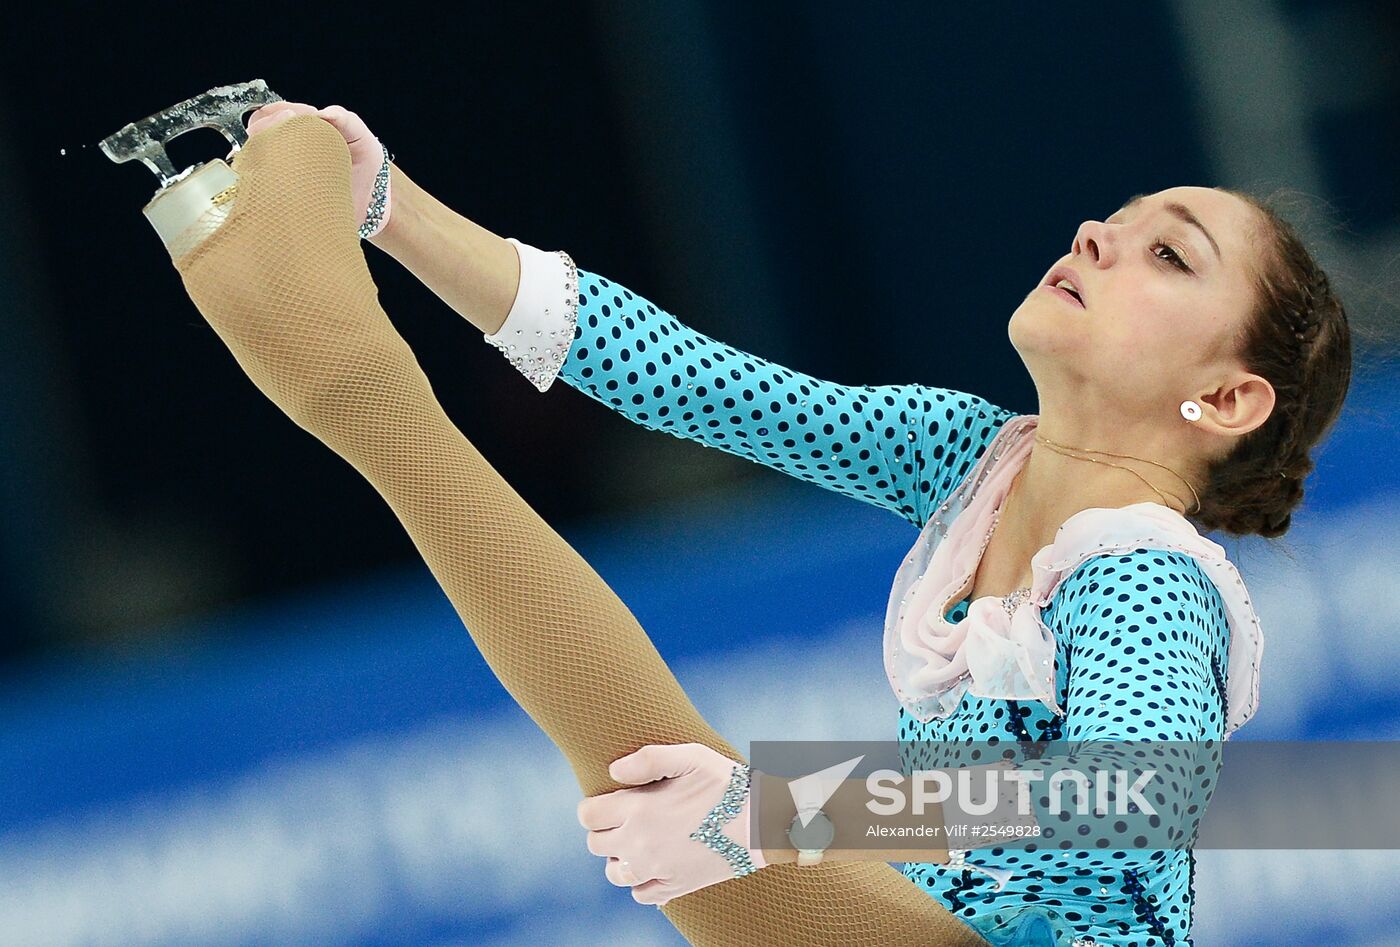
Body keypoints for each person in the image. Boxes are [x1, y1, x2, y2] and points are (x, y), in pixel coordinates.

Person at [221, 103, 1349, 946]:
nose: (1099, 230)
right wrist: (391, 205)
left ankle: (357, 390)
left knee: (679, 791)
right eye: (1121, 217)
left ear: (1227, 398)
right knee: (657, 782)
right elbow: (685, 380)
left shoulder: (1149, 583)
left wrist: (785, 809)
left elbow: (1127, 796)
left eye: (1168, 254)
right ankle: (359, 390)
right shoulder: (966, 458)